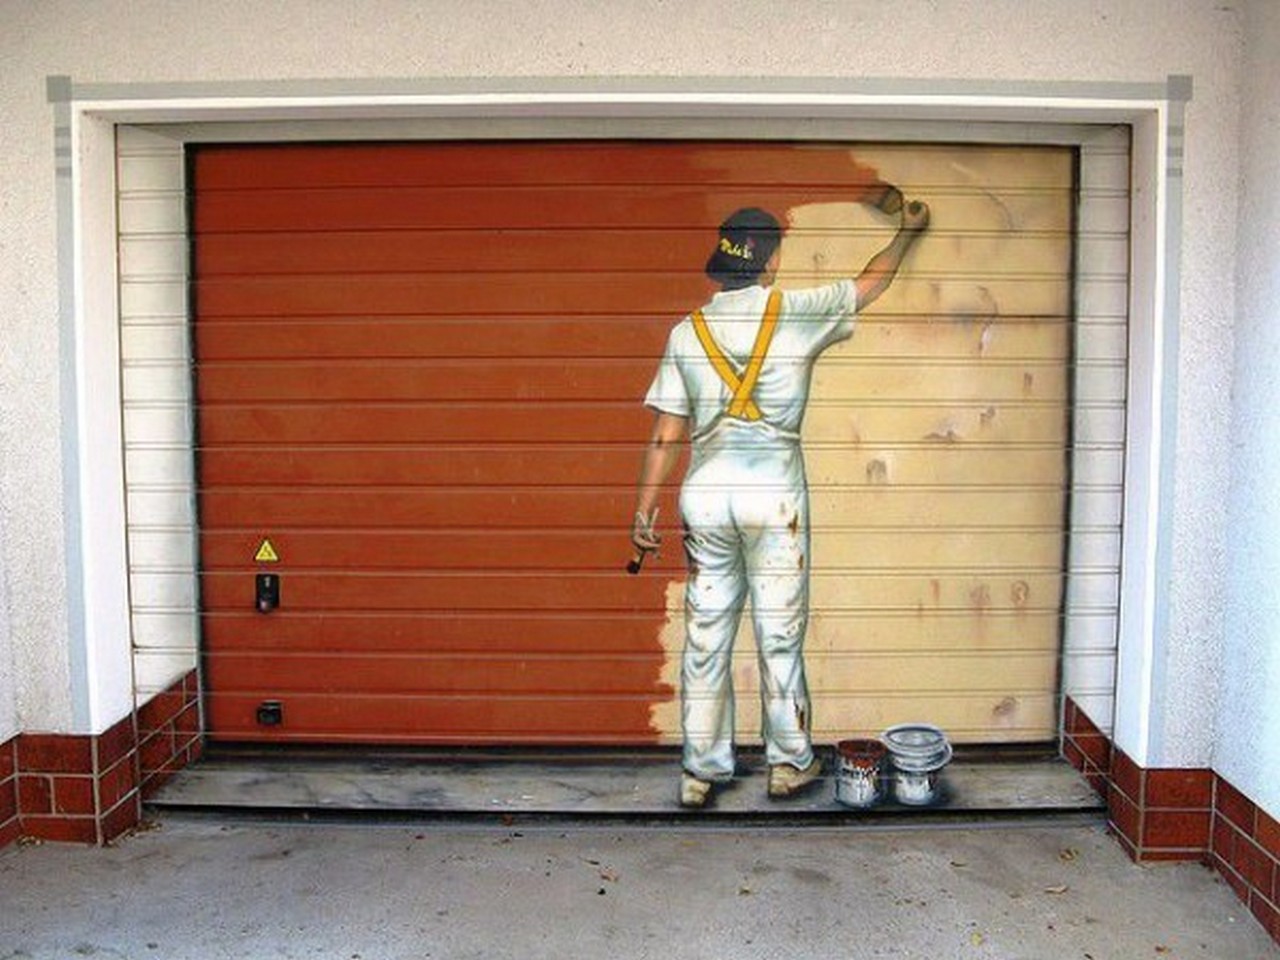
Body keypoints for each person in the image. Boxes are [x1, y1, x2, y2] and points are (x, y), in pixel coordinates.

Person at [631, 197, 930, 808]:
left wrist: (643, 509)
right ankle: (789, 763)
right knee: (779, 633)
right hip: (774, 497)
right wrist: (905, 233)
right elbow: (869, 283)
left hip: (707, 497)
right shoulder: (795, 311)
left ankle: (700, 771)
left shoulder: (686, 333)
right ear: (769, 262)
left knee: (706, 637)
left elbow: (665, 434)